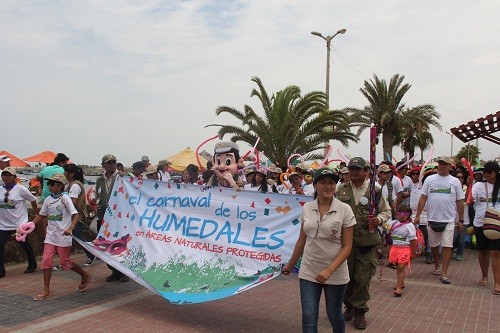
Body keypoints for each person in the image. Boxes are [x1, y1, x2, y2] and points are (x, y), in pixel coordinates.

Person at [282, 168, 355, 333]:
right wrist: (290, 265)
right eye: (323, 182)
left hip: (335, 272)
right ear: (315, 185)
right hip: (309, 270)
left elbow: (347, 246)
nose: (328, 186)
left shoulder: (345, 209)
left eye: (332, 182)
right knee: (308, 316)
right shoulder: (307, 208)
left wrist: (329, 270)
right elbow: (302, 240)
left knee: (334, 315)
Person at [336, 157, 391, 330]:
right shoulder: (341, 189)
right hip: (346, 242)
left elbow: (386, 211)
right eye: (351, 169)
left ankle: (360, 310)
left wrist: (379, 219)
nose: (353, 172)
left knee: (362, 277)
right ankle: (349, 306)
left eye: (358, 169)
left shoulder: (375, 190)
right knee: (347, 277)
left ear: (366, 171)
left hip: (367, 241)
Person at [31, 173, 92, 301]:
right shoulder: (48, 200)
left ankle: (85, 275)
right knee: (46, 261)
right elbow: (41, 215)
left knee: (65, 262)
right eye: (49, 183)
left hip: (63, 236)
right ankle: (46, 290)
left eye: (52, 184)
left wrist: (71, 228)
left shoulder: (65, 198)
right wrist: (30, 225)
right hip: (51, 236)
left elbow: (75, 215)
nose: (50, 186)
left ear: (60, 185)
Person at [414, 156, 465, 285]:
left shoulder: (455, 181)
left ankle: (444, 272)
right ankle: (437, 265)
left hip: (449, 220)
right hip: (432, 219)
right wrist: (418, 215)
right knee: (434, 245)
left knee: (447, 245)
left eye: (445, 164)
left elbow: (460, 202)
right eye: (440, 164)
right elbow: (422, 198)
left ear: (450, 166)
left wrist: (461, 220)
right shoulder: (430, 180)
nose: (442, 166)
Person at [90, 154, 129, 282]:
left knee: (119, 244)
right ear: (103, 165)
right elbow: (96, 193)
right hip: (103, 215)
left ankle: (123, 271)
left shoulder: (122, 177)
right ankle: (114, 270)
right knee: (105, 245)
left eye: (114, 162)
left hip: (118, 217)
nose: (112, 165)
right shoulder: (100, 180)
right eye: (109, 163)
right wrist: (94, 199)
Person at [0, 167, 38, 278]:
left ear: (14, 178)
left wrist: (35, 214)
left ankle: (32, 263)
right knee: (0, 245)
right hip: (3, 223)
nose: (6, 177)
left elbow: (33, 200)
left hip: (19, 222)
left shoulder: (20, 189)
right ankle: (1, 270)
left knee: (24, 243)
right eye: (4, 175)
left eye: (9, 175)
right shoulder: (0, 189)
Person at [470, 161, 500, 294]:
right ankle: (484, 276)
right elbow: (470, 200)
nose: (486, 174)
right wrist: (470, 186)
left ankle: (497, 283)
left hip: (497, 224)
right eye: (485, 172)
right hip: (480, 222)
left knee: (496, 253)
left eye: (490, 172)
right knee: (483, 251)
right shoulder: (479, 185)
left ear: (496, 173)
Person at [63, 163, 96, 267]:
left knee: (78, 237)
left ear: (71, 174)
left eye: (66, 172)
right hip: (73, 216)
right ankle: (64, 259)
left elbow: (73, 201)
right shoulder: (72, 184)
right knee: (73, 238)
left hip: (76, 216)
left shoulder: (75, 186)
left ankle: (91, 255)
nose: (64, 174)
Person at [384, 205, 417, 297]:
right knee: (398, 267)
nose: (401, 215)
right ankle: (401, 283)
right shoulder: (393, 223)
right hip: (395, 248)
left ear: (408, 215)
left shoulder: (410, 226)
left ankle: (398, 288)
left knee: (401, 267)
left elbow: (413, 240)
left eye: (404, 213)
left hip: (405, 248)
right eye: (399, 213)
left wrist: (413, 253)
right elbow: (385, 227)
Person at [453, 168, 469, 261]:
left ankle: (460, 253)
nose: (460, 179)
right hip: (453, 217)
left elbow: (466, 199)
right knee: (454, 237)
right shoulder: (452, 187)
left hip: (464, 217)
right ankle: (454, 251)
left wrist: (469, 185)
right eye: (458, 177)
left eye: (462, 177)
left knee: (461, 237)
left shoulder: (467, 188)